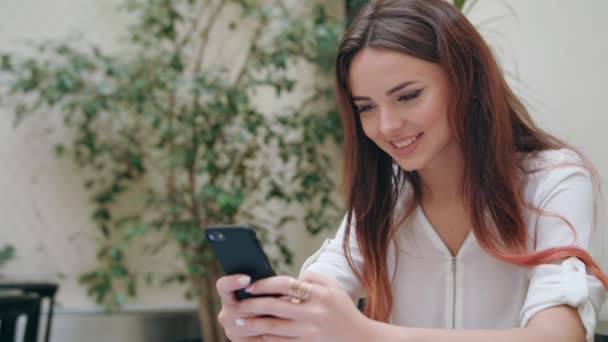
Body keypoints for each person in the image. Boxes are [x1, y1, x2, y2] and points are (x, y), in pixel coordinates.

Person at [215, 0, 608, 341]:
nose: (386, 126)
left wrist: (368, 336)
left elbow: (559, 335)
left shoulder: (553, 180)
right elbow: (322, 286)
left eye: (408, 96)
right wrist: (270, 318)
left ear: (466, 82)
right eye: (366, 107)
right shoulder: (386, 194)